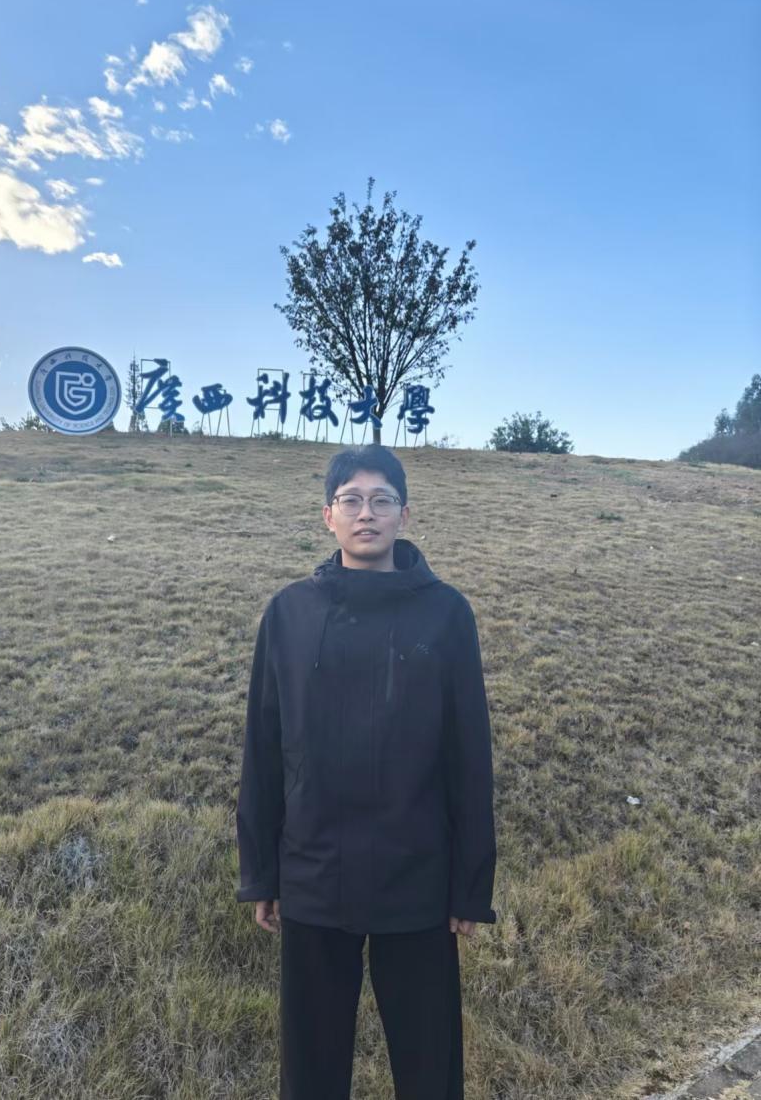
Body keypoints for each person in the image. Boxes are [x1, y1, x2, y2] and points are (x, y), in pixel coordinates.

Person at [235, 443, 498, 1100]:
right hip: (314, 870)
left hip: (418, 876)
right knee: (311, 1067)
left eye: (382, 500)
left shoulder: (446, 613)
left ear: (405, 515)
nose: (366, 513)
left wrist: (470, 884)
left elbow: (469, 755)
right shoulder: (289, 614)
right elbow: (264, 748)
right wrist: (261, 871)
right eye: (350, 500)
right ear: (327, 515)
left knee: (429, 1064)